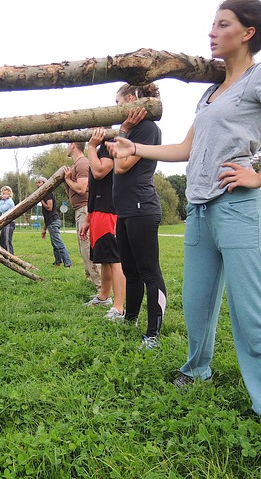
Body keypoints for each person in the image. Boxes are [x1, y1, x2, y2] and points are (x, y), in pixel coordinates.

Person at [107, 0, 261, 424]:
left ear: (247, 33)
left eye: (222, 24)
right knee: (198, 302)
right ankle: (196, 368)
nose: (211, 32)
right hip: (200, 208)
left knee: (252, 307)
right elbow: (186, 148)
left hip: (238, 206)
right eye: (211, 24)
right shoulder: (211, 92)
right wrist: (136, 146)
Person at [111, 83, 167, 351]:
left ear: (131, 100)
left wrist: (122, 131)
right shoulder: (134, 130)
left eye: (118, 102)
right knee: (130, 270)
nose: (116, 108)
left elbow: (121, 166)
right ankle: (129, 319)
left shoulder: (146, 128)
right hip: (125, 210)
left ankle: (153, 333)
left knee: (148, 271)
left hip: (141, 207)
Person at [79, 127, 127, 315]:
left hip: (109, 210)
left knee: (114, 259)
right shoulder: (99, 150)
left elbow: (100, 172)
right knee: (105, 259)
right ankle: (103, 297)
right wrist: (89, 218)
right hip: (98, 211)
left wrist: (90, 146)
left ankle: (119, 306)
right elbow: (95, 187)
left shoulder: (109, 146)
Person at [64, 142, 101, 289]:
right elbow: (73, 192)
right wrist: (67, 181)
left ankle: (101, 288)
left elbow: (81, 188)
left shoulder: (82, 163)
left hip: (85, 210)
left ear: (73, 145)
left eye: (68, 144)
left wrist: (67, 180)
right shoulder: (76, 165)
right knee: (83, 248)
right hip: (79, 209)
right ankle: (92, 282)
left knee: (87, 248)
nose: (66, 147)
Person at [35, 176, 72, 268]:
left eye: (39, 182)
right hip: (50, 222)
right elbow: (46, 216)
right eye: (37, 183)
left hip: (53, 221)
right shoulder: (44, 194)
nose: (37, 184)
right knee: (54, 244)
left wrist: (41, 201)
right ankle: (58, 262)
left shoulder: (48, 193)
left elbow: (49, 207)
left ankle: (67, 262)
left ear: (45, 183)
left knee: (58, 243)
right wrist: (44, 230)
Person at [0, 185, 16, 254]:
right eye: (3, 191)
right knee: (2, 240)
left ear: (9, 192)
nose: (4, 192)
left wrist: (2, 201)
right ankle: (5, 255)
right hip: (4, 222)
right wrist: (2, 200)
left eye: (6, 190)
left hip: (9, 222)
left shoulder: (9, 201)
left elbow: (1, 209)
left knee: (7, 240)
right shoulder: (4, 201)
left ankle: (10, 256)